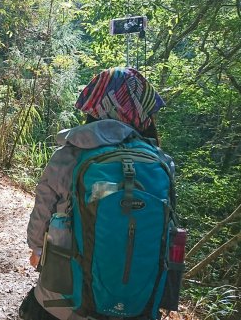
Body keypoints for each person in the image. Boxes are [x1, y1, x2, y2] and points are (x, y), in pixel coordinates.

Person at [22, 67, 175, 320]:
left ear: (95, 105)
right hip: (140, 301)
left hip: (67, 300)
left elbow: (43, 212)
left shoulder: (69, 155)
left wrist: (36, 249)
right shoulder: (161, 162)